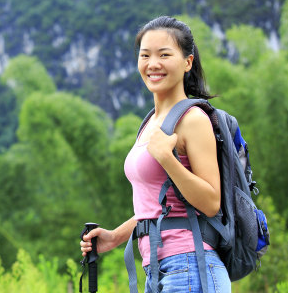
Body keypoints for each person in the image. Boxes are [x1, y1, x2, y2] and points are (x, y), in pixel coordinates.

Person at [80, 16, 231, 292]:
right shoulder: (150, 122)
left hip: (189, 266)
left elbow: (211, 202)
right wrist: (114, 237)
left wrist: (167, 159)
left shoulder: (193, 119)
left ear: (188, 62)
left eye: (164, 54)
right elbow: (157, 207)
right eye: (145, 55)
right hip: (158, 270)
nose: (153, 64)